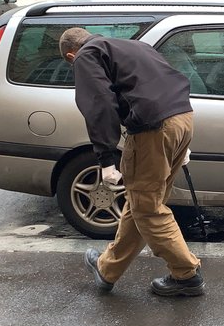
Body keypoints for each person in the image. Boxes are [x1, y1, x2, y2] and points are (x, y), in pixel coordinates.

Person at [58, 27, 204, 297]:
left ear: (71, 54)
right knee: (140, 201)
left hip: (153, 129)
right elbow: (168, 79)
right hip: (182, 116)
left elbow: (99, 103)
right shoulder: (132, 46)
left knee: (148, 208)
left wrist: (105, 159)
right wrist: (180, 140)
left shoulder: (85, 55)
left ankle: (186, 274)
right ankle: (107, 269)